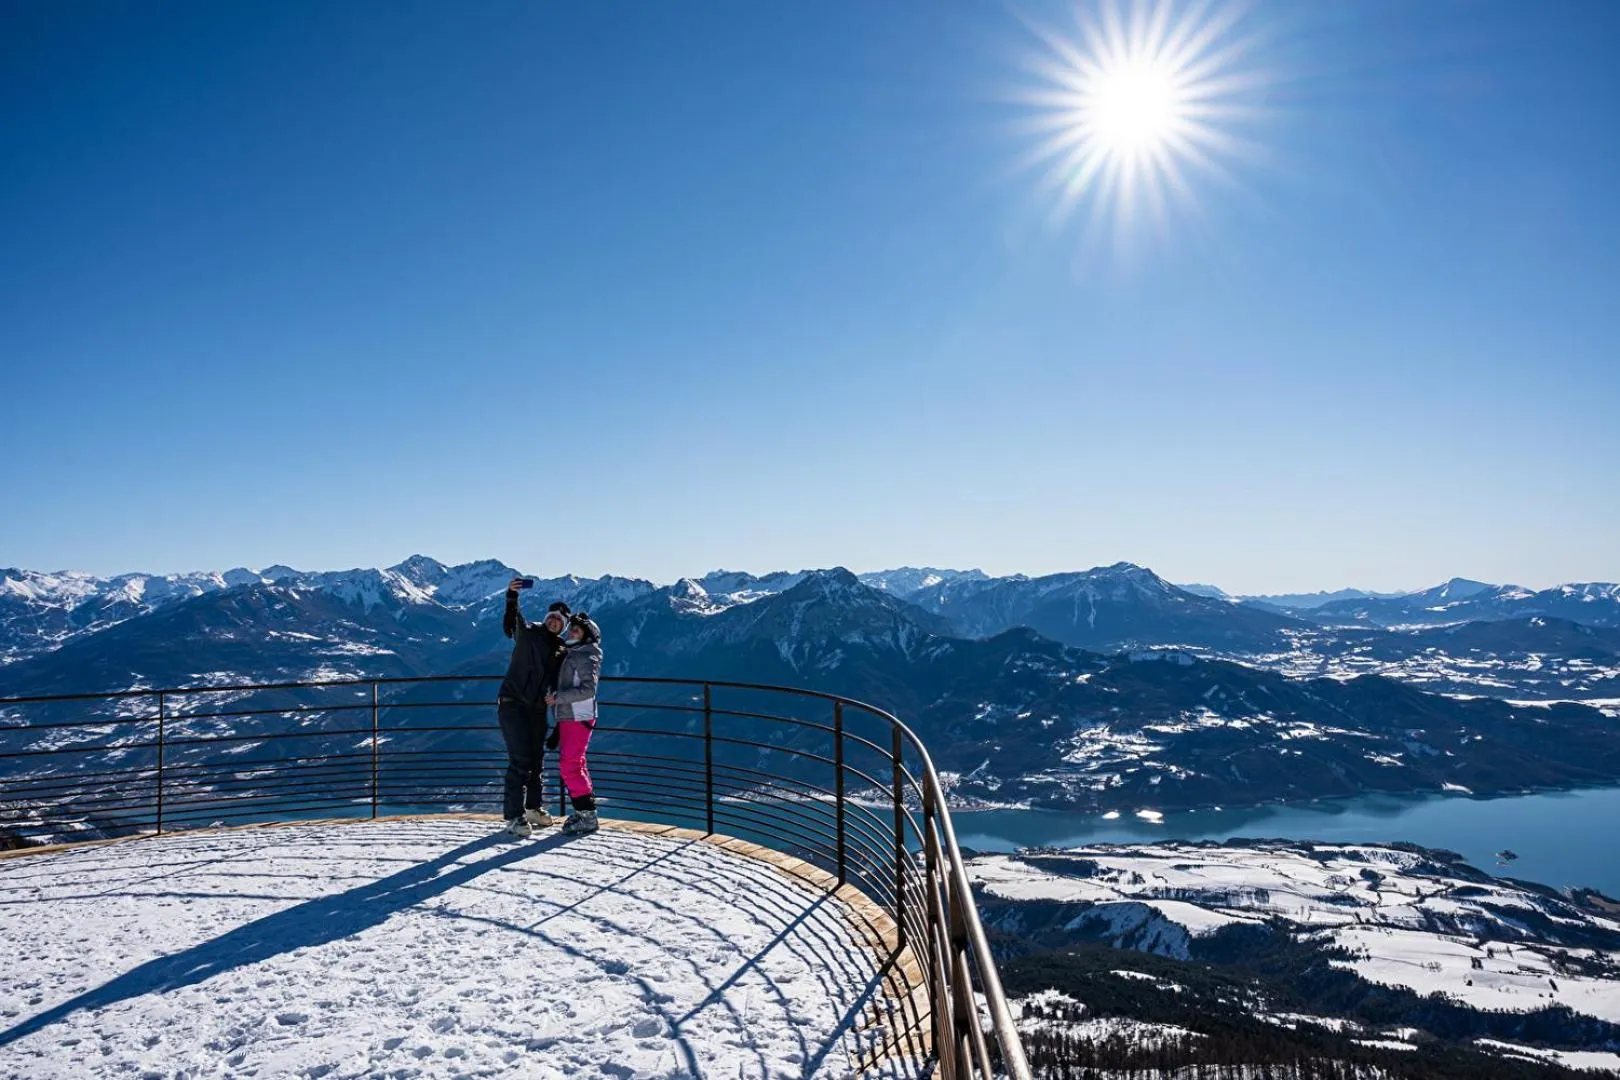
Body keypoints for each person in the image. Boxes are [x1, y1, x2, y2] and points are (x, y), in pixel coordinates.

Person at [496, 579, 569, 836]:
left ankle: (533, 808)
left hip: (538, 709)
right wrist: (512, 597)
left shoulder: (561, 648)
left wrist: (558, 696)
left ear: (563, 626)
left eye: (559, 620)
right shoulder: (529, 632)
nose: (553, 622)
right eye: (551, 617)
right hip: (513, 703)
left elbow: (562, 678)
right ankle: (514, 816)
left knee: (536, 761)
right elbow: (511, 623)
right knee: (520, 760)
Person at [547, 611, 602, 836]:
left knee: (569, 765)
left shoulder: (585, 655)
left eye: (577, 630)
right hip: (574, 716)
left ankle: (587, 816)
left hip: (577, 716)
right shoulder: (578, 652)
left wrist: (558, 698)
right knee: (576, 763)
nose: (571, 632)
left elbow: (588, 690)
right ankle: (585, 812)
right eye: (572, 629)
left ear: (587, 635)